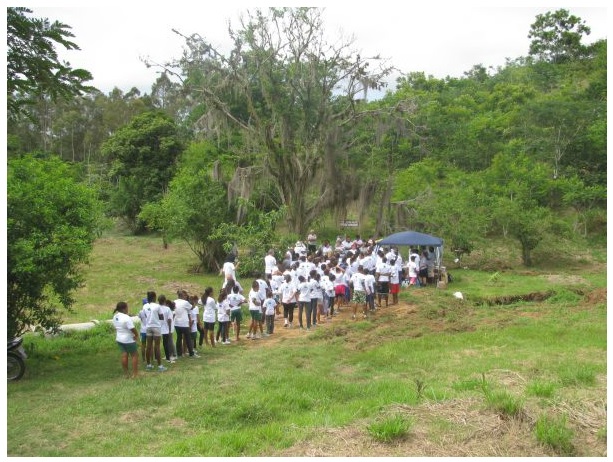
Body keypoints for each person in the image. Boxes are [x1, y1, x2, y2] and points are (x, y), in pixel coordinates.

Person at [112, 301, 139, 379]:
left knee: (124, 355)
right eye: (127, 307)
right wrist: (136, 335)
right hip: (128, 339)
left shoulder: (115, 316)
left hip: (119, 338)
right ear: (124, 309)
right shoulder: (126, 317)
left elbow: (115, 326)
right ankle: (135, 374)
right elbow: (132, 328)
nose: (128, 309)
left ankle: (126, 374)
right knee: (134, 355)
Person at [143, 290, 167, 372]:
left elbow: (146, 316)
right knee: (157, 346)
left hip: (148, 327)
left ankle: (149, 365)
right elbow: (161, 317)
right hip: (156, 327)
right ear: (154, 297)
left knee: (148, 346)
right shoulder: (157, 306)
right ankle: (160, 366)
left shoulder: (145, 306)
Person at [174, 290, 198, 358]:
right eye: (185, 295)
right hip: (184, 323)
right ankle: (191, 353)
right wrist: (193, 303)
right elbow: (192, 307)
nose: (186, 296)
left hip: (176, 323)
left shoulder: (175, 301)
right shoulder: (185, 302)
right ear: (182, 296)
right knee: (188, 338)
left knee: (179, 338)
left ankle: (179, 353)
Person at [157, 294, 174, 364]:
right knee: (165, 344)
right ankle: (168, 358)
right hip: (166, 329)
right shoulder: (167, 309)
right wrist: (170, 329)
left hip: (158, 328)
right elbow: (169, 320)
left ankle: (156, 357)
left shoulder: (157, 308)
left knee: (157, 344)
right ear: (165, 300)